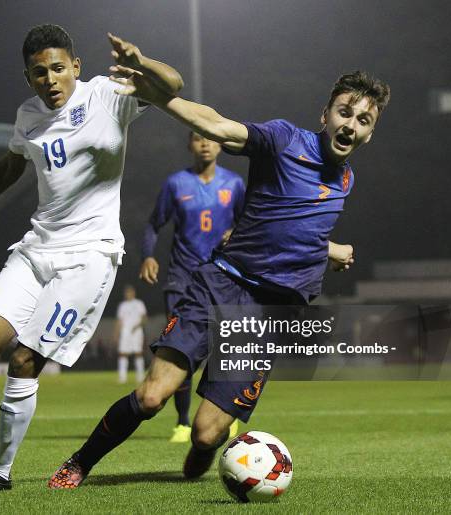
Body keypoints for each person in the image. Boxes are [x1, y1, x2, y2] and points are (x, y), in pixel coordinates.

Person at [48, 35, 388, 489]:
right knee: (151, 396)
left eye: (363, 120)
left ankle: (203, 450)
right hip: (220, 284)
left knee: (209, 432)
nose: (351, 124)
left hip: (270, 314)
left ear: (370, 132)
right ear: (325, 116)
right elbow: (218, 125)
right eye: (345, 112)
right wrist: (163, 99)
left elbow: (295, 225)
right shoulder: (285, 139)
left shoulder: (345, 179)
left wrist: (332, 249)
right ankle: (80, 462)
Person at [0, 25, 183, 492]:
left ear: (76, 67)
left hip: (90, 258)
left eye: (59, 68)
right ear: (28, 78)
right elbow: (11, 165)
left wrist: (140, 62)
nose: (50, 80)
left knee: (24, 361)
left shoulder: (108, 94)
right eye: (39, 73)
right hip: (37, 248)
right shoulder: (28, 115)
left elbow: (173, 86)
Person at [140, 131, 245, 442]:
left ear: (221, 144)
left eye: (211, 139)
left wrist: (235, 233)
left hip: (222, 278)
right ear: (190, 144)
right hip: (181, 280)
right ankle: (183, 422)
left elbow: (250, 222)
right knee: (179, 350)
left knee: (222, 350)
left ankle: (221, 413)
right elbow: (152, 224)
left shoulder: (235, 184)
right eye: (199, 138)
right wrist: (147, 256)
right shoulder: (176, 184)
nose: (205, 144)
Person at [114, 285, 147, 384]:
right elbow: (119, 321)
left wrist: (137, 326)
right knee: (123, 353)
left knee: (138, 353)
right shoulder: (122, 305)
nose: (128, 294)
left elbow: (144, 318)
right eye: (127, 292)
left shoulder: (139, 304)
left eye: (130, 292)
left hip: (137, 331)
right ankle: (122, 377)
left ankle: (140, 377)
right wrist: (116, 333)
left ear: (133, 293)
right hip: (125, 331)